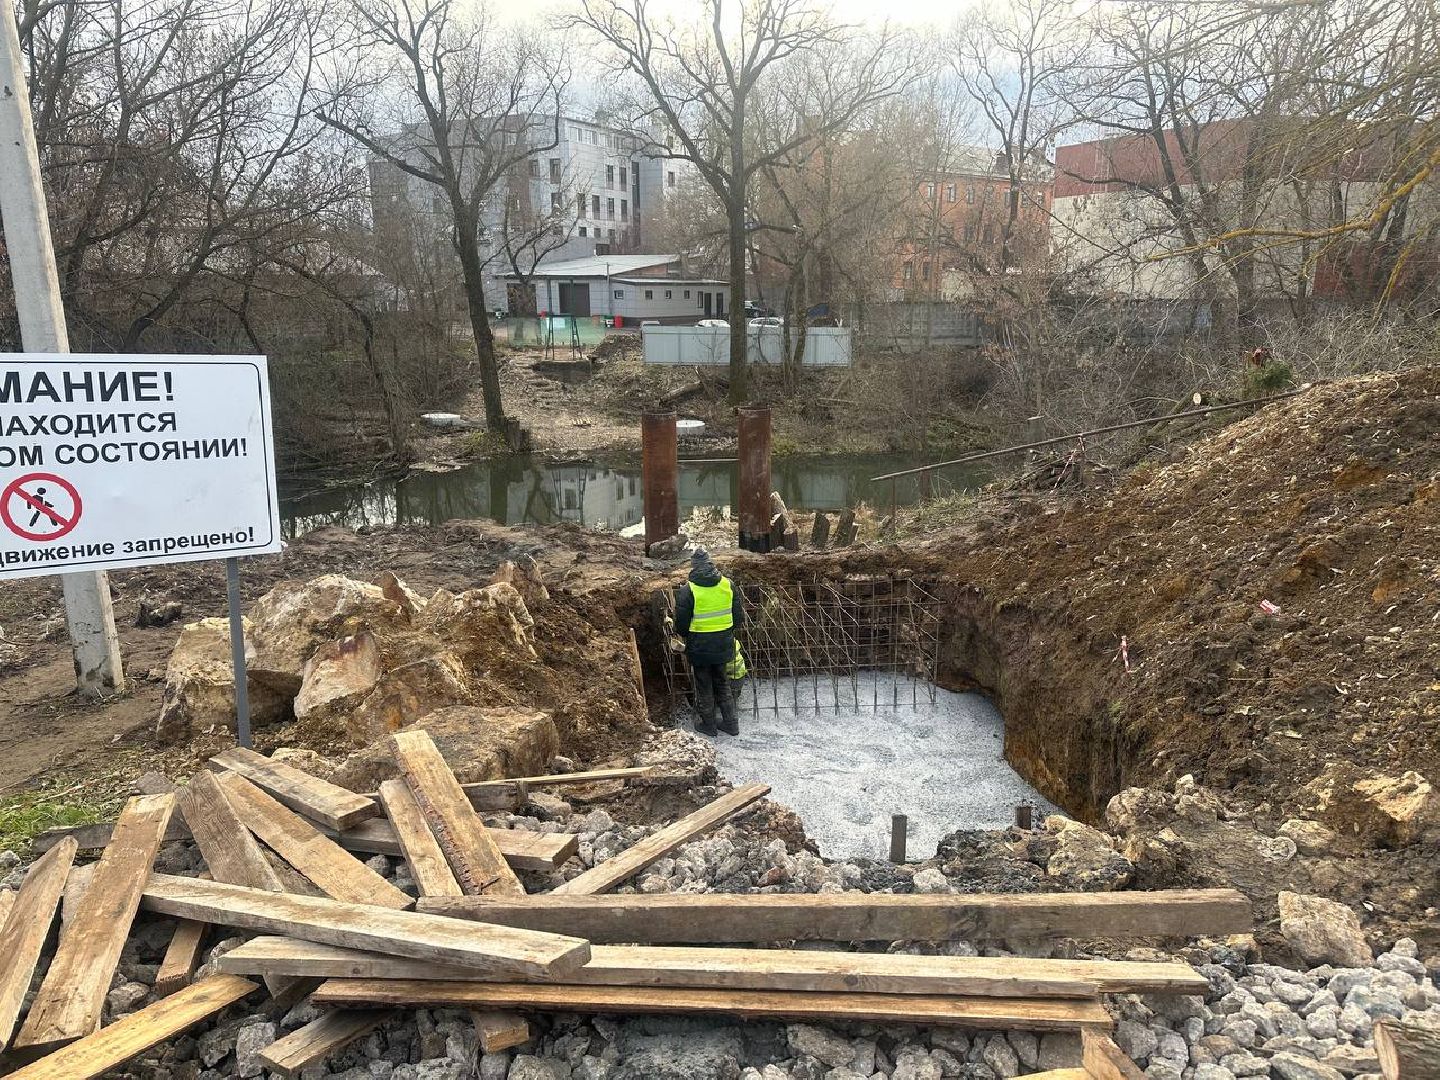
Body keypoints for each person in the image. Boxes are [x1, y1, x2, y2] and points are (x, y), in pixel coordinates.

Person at [674, 547, 744, 736]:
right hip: (723, 644)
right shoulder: (728, 585)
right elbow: (738, 618)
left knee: (704, 684)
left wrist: (688, 636)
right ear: (711, 563)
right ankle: (731, 724)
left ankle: (709, 725)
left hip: (700, 647)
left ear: (693, 566)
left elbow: (681, 626)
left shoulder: (688, 590)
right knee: (722, 682)